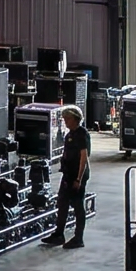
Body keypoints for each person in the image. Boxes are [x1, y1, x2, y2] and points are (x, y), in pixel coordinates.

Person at [45, 105, 91, 249]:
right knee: (62, 203)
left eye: (67, 119)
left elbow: (84, 157)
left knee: (78, 206)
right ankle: (59, 234)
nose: (65, 121)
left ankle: (78, 238)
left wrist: (79, 178)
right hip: (68, 174)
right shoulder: (69, 135)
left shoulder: (82, 134)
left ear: (75, 119)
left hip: (77, 175)